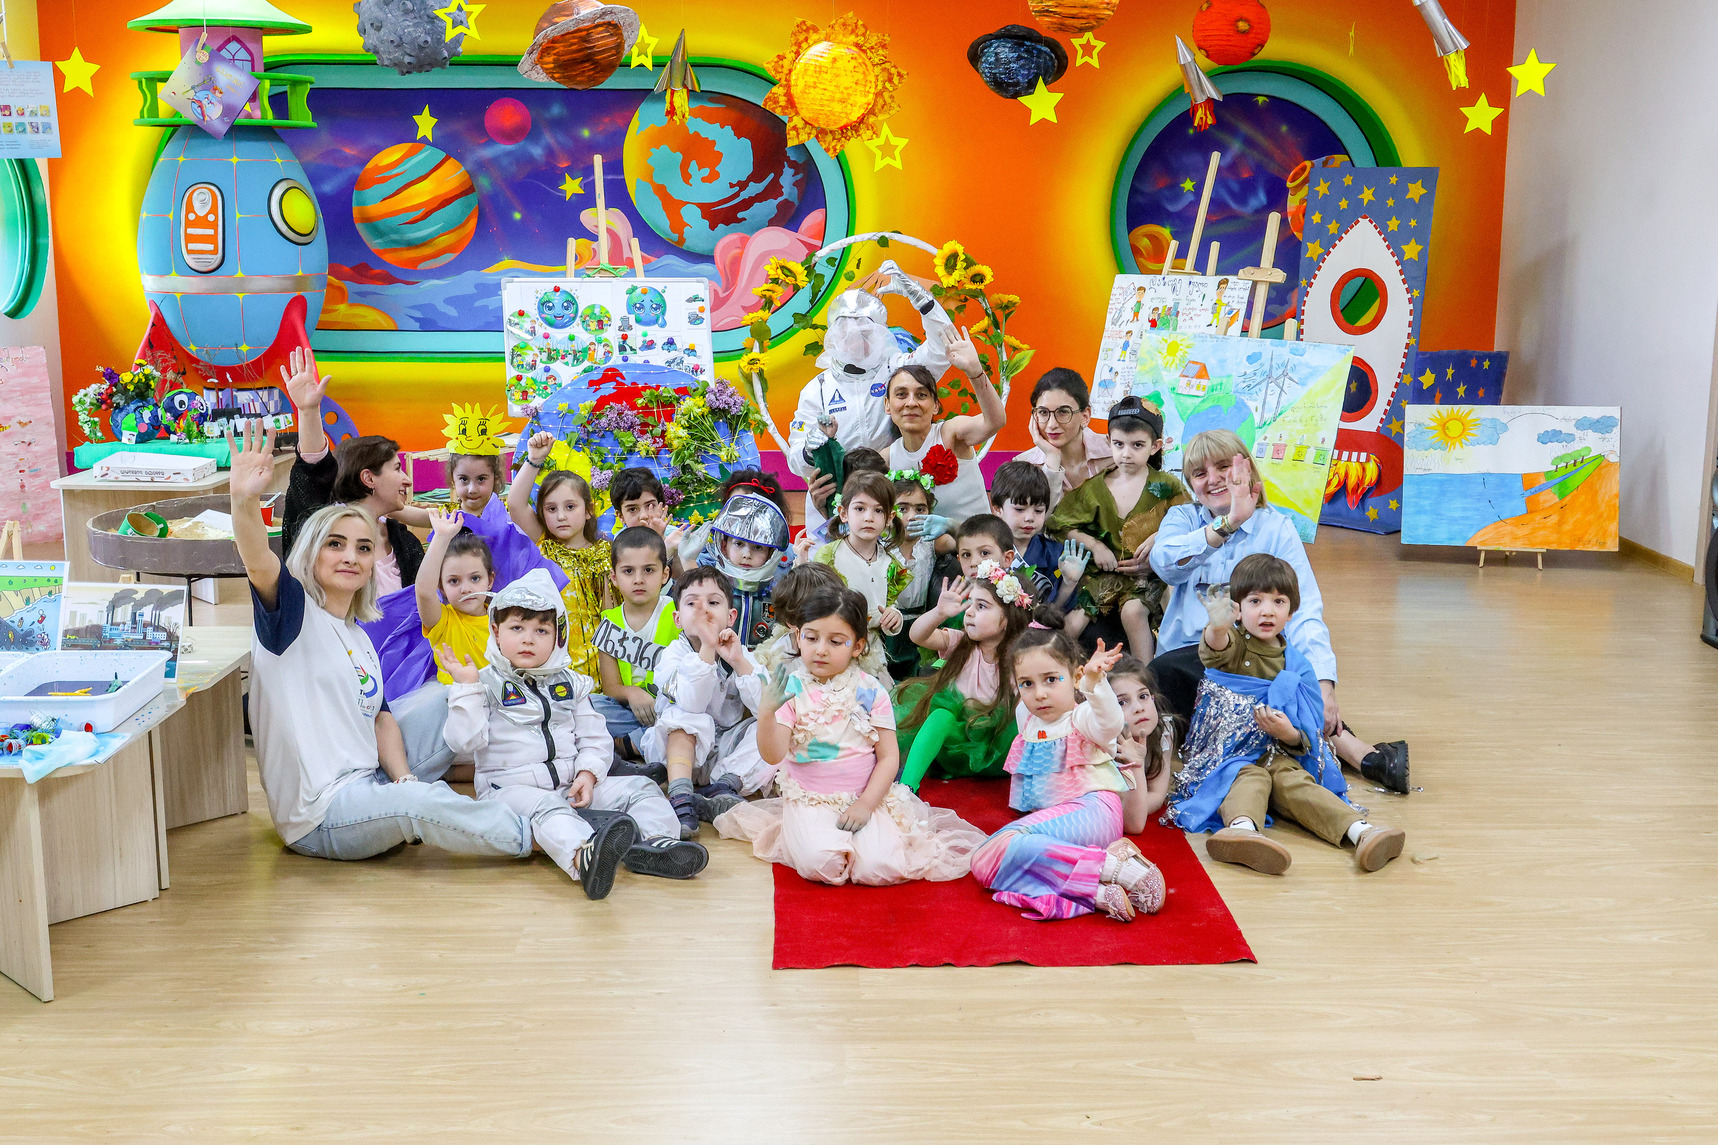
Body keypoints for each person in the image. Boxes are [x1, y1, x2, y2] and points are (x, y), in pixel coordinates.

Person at [228, 420, 533, 865]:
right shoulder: (291, 615)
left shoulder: (357, 632)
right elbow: (258, 562)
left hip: (372, 777)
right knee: (420, 802)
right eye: (335, 544)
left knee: (465, 690)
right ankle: (542, 834)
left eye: (363, 548)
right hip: (323, 815)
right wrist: (243, 500)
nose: (350, 557)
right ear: (312, 550)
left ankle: (542, 769)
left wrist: (404, 779)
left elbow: (382, 719)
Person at [1146, 431, 1410, 793]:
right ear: (1191, 484)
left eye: (1223, 467)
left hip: (1254, 663)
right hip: (1189, 663)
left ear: (1247, 471)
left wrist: (1324, 686)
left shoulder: (1276, 527)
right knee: (1162, 675)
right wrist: (1227, 524)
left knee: (1277, 672)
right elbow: (1165, 564)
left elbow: (1304, 611)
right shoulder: (1182, 518)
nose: (1213, 479)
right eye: (1200, 473)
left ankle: (1348, 748)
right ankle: (1337, 747)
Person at [437, 570, 708, 898]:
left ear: (558, 636)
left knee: (642, 788)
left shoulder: (571, 683)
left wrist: (588, 774)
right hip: (510, 790)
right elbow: (463, 742)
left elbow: (595, 738)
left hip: (571, 783)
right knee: (549, 809)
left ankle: (657, 844)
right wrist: (466, 690)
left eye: (541, 630)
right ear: (496, 631)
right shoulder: (482, 683)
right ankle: (584, 857)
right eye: (517, 628)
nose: (528, 639)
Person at [715, 586, 986, 885]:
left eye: (835, 642)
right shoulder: (792, 689)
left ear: (857, 646)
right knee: (823, 864)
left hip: (865, 796)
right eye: (811, 638)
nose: (821, 650)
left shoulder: (871, 690)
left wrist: (866, 805)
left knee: (881, 867)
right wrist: (767, 713)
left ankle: (863, 839)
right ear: (798, 637)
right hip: (810, 800)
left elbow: (888, 757)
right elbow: (773, 755)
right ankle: (814, 836)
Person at [1166, 554, 1406, 874]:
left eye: (1278, 602)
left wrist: (1287, 733)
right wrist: (1217, 627)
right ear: (1238, 609)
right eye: (1255, 601)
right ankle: (1242, 832)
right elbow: (1215, 649)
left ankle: (1361, 832)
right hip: (1228, 756)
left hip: (1277, 753)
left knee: (1294, 781)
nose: (1267, 611)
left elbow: (1307, 734)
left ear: (1291, 612)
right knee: (1248, 778)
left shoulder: (1298, 665)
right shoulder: (1235, 645)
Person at [967, 625, 1166, 922]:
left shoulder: (1082, 718)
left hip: (1093, 814)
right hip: (1065, 836)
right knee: (985, 865)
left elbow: (1110, 723)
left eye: (1051, 679)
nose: (1040, 693)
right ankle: (1096, 893)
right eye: (1027, 684)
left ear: (1074, 677)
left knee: (993, 851)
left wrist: (1094, 684)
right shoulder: (1028, 721)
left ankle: (1118, 869)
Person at [787, 262, 958, 536]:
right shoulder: (817, 388)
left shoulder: (897, 371)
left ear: (881, 334)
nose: (856, 340)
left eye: (865, 332)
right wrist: (809, 448)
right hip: (832, 502)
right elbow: (795, 459)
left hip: (893, 497)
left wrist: (923, 301)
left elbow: (943, 349)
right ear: (833, 336)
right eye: (846, 332)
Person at [1046, 396, 1190, 660]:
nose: (1126, 453)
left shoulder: (1167, 486)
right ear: (1108, 441)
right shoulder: (1093, 489)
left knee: (1133, 613)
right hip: (1104, 576)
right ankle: (1056, 670)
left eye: (1137, 445)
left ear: (1155, 446)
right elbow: (1058, 524)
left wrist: (1160, 538)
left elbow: (1190, 522)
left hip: (1148, 576)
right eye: (1119, 444)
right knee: (1075, 620)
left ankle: (1144, 676)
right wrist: (1094, 545)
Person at [280, 346, 425, 595]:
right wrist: (308, 411)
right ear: (368, 478)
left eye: (363, 548)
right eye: (397, 469)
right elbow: (313, 470)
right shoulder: (324, 527)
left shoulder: (403, 541)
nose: (407, 480)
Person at [645, 567, 777, 837]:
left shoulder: (740, 652)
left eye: (713, 603)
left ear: (730, 617)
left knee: (774, 727)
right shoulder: (670, 656)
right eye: (692, 604)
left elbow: (766, 706)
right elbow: (691, 703)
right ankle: (680, 796)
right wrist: (707, 648)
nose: (703, 610)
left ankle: (724, 787)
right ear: (678, 618)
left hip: (723, 754)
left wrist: (738, 662)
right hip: (679, 756)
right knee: (684, 718)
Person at [894, 560, 1037, 789]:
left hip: (995, 750)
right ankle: (906, 788)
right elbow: (918, 636)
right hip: (956, 745)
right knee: (940, 715)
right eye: (970, 603)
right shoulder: (961, 643)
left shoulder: (1020, 661)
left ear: (1008, 619)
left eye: (981, 606)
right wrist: (939, 613)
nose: (969, 612)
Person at [507, 431, 610, 681]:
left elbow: (611, 615)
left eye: (570, 507)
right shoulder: (543, 544)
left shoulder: (605, 552)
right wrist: (534, 460)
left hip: (599, 665)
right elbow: (516, 504)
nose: (561, 516)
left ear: (589, 510)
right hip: (550, 668)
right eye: (551, 509)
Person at [882, 326, 1005, 534]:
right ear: (887, 405)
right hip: (927, 552)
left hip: (980, 546)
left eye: (921, 395)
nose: (911, 403)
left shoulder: (950, 433)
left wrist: (975, 371)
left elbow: (994, 421)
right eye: (901, 394)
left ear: (936, 406)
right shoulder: (886, 459)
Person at [811, 471, 911, 681]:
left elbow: (890, 604)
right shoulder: (828, 556)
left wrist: (894, 618)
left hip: (871, 652)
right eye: (860, 508)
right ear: (843, 513)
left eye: (878, 510)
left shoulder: (892, 564)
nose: (868, 517)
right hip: (832, 648)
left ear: (889, 518)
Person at [681, 475, 793, 648]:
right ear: (723, 545)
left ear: (771, 551)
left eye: (758, 547)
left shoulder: (779, 586)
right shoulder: (712, 577)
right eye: (739, 544)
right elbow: (695, 602)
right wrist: (687, 561)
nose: (746, 555)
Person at [591, 526, 676, 749]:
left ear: (665, 574)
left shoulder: (678, 613)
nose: (638, 579)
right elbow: (611, 687)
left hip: (670, 707)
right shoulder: (609, 622)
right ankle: (644, 742)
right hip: (629, 711)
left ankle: (631, 746)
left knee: (687, 718)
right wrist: (632, 693)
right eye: (628, 571)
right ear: (614, 577)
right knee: (590, 706)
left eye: (648, 570)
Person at [989, 460, 1085, 611]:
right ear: (997, 509)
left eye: (1038, 511)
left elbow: (1055, 611)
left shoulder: (1055, 554)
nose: (1030, 518)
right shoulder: (985, 550)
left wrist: (1069, 583)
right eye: (1020, 509)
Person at [1015, 368, 1114, 513]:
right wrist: (1052, 459)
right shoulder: (1023, 466)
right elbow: (1041, 521)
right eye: (1043, 412)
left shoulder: (1116, 453)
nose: (1052, 424)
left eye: (1063, 412)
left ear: (1085, 416)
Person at [416, 507, 495, 685]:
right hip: (455, 698)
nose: (465, 589)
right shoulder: (443, 621)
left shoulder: (502, 618)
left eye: (475, 578)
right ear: (441, 587)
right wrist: (441, 537)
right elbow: (424, 592)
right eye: (454, 581)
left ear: (490, 581)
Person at [1107, 656, 1175, 831]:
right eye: (1122, 702)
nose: (1138, 708)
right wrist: (1133, 812)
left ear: (1153, 697)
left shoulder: (1164, 731)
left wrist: (1137, 810)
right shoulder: (1102, 744)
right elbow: (1123, 811)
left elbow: (1157, 793)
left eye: (1143, 696)